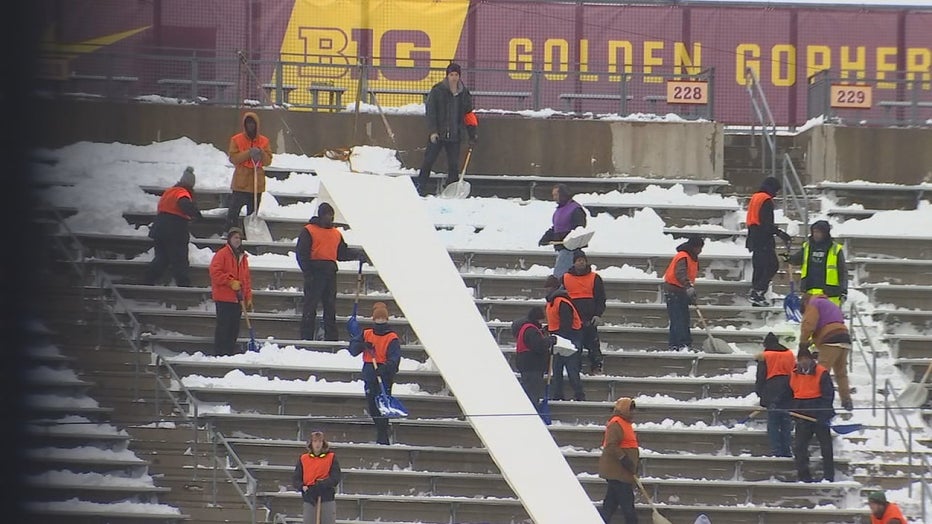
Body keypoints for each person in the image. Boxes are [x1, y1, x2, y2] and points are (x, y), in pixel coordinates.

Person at [296, 202, 367, 341]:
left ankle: (331, 338)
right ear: (321, 216)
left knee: (330, 308)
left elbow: (341, 253)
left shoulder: (336, 233)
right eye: (327, 215)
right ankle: (306, 337)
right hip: (315, 273)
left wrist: (356, 254)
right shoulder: (309, 231)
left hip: (330, 273)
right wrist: (308, 273)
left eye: (332, 216)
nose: (330, 218)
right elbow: (301, 254)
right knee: (310, 307)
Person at [414, 62, 478, 197]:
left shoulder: (464, 93)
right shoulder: (437, 91)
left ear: (459, 76)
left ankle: (451, 190)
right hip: (438, 134)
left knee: (453, 165)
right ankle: (420, 186)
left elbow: (468, 114)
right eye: (451, 74)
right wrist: (433, 131)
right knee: (428, 160)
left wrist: (472, 133)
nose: (454, 77)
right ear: (447, 76)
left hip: (455, 135)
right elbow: (431, 112)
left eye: (456, 75)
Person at [348, 302, 401, 445]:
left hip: (384, 376)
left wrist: (385, 368)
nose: (380, 321)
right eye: (378, 319)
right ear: (374, 319)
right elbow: (353, 350)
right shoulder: (366, 334)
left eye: (383, 319)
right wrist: (361, 345)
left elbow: (395, 359)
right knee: (372, 405)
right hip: (369, 374)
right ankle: (381, 431)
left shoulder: (392, 338)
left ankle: (383, 435)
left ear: (387, 320)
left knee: (383, 406)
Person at [144, 166, 202, 286]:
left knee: (162, 258)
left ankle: (148, 279)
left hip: (159, 228)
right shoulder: (183, 193)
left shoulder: (169, 191)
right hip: (175, 230)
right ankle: (184, 285)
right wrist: (197, 214)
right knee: (180, 259)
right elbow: (184, 204)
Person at [800, 293, 853, 411]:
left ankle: (817, 401)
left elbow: (808, 325)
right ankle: (846, 401)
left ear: (804, 303)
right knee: (841, 373)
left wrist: (802, 343)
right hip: (844, 337)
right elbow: (828, 323)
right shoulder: (829, 304)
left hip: (830, 340)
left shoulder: (813, 303)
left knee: (821, 372)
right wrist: (813, 342)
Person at [790, 346, 835, 483]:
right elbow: (790, 392)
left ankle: (829, 476)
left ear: (811, 359)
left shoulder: (822, 373)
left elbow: (828, 395)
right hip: (802, 415)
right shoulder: (794, 373)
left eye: (806, 359)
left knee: (826, 447)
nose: (803, 362)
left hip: (819, 413)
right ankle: (804, 477)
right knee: (799, 447)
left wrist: (822, 413)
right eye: (801, 359)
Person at [745, 176, 792, 307]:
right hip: (763, 238)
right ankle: (757, 292)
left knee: (759, 267)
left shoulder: (755, 197)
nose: (776, 194)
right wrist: (781, 234)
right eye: (776, 191)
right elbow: (767, 223)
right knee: (772, 265)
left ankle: (757, 295)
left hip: (754, 236)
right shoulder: (766, 200)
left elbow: (753, 219)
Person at [225, 111, 273, 235]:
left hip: (256, 185)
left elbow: (268, 161)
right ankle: (230, 232)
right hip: (240, 183)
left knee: (252, 214)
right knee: (233, 212)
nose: (250, 126)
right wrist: (248, 153)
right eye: (248, 123)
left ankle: (250, 235)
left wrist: (261, 153)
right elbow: (233, 158)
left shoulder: (264, 141)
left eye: (253, 123)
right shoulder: (236, 140)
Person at [783, 220, 848, 307]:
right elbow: (797, 259)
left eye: (818, 232)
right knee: (811, 319)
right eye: (814, 232)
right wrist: (788, 258)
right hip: (810, 290)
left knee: (829, 319)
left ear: (825, 233)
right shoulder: (807, 246)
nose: (816, 234)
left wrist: (843, 290)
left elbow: (842, 271)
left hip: (830, 293)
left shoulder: (836, 249)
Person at [208, 227, 252, 356]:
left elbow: (246, 279)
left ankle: (229, 351)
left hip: (237, 299)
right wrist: (230, 281)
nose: (237, 240)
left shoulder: (242, 257)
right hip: (224, 297)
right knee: (224, 327)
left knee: (234, 328)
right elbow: (215, 272)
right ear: (229, 239)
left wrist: (248, 296)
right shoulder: (222, 254)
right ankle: (220, 352)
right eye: (235, 237)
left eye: (239, 238)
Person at [562, 250, 606, 375]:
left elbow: (601, 298)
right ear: (574, 263)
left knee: (593, 346)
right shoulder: (565, 278)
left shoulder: (595, 278)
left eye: (583, 260)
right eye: (578, 260)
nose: (581, 262)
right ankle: (576, 369)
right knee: (576, 347)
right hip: (573, 321)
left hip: (590, 319)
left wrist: (598, 314)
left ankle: (597, 367)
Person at [598, 397, 639, 524]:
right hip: (618, 472)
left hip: (622, 472)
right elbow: (611, 445)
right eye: (630, 410)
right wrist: (624, 458)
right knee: (628, 507)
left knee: (610, 506)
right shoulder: (616, 423)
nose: (632, 413)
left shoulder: (625, 423)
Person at [544, 275, 585, 401]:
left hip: (569, 339)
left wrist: (558, 338)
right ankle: (558, 395)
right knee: (557, 370)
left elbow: (566, 323)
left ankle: (579, 395)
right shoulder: (552, 303)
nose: (547, 290)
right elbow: (556, 322)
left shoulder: (561, 302)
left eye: (548, 288)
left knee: (571, 370)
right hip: (559, 338)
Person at [754, 332, 795, 457]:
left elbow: (761, 376)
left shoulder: (766, 356)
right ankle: (787, 450)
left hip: (771, 389)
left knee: (773, 423)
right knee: (786, 422)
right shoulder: (790, 354)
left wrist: (760, 393)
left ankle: (776, 450)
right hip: (789, 389)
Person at [662, 237, 704, 351]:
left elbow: (689, 275)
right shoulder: (683, 256)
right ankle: (679, 344)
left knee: (683, 319)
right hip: (673, 291)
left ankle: (681, 344)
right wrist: (688, 287)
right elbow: (680, 273)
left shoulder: (691, 257)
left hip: (681, 291)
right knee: (678, 319)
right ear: (694, 247)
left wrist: (689, 291)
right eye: (699, 248)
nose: (700, 251)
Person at [538, 184, 589, 279]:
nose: (554, 198)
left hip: (570, 250)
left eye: (556, 195)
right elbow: (557, 227)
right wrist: (546, 237)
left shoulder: (575, 209)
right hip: (562, 249)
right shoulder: (560, 210)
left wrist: (570, 241)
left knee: (560, 278)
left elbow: (580, 229)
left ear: (563, 195)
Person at [292, 430, 342, 524]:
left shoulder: (331, 457)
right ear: (311, 443)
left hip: (326, 496)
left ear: (323, 443)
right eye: (315, 441)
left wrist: (323, 484)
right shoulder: (303, 458)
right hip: (310, 496)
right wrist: (303, 487)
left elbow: (335, 477)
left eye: (320, 441)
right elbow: (296, 478)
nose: (317, 444)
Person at [511, 306, 554, 413]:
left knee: (530, 391)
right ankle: (531, 414)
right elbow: (539, 346)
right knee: (532, 394)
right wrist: (550, 340)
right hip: (532, 366)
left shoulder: (527, 328)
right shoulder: (531, 330)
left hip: (527, 365)